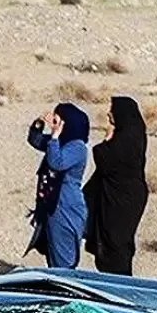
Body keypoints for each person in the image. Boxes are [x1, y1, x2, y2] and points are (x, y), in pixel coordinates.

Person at [83, 96, 149, 276]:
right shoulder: (133, 132)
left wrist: (107, 139)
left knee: (115, 243)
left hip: (121, 199)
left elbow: (104, 159)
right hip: (123, 195)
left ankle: (120, 282)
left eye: (112, 110)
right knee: (115, 241)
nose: (108, 113)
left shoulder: (126, 138)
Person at [25, 103, 90, 269]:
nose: (54, 121)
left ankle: (65, 291)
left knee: (63, 260)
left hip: (65, 206)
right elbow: (35, 140)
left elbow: (57, 163)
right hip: (53, 204)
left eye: (58, 118)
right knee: (53, 252)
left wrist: (54, 137)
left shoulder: (77, 147)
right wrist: (39, 123)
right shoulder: (61, 141)